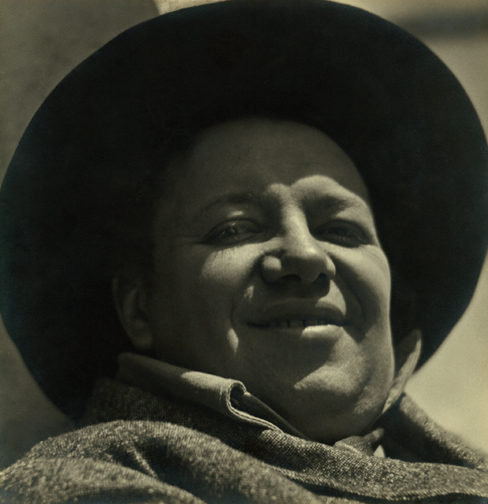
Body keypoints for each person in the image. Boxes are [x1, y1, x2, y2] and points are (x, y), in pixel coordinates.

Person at [1, 0, 488, 502]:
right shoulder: (85, 490)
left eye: (342, 231)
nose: (306, 256)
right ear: (140, 309)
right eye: (234, 229)